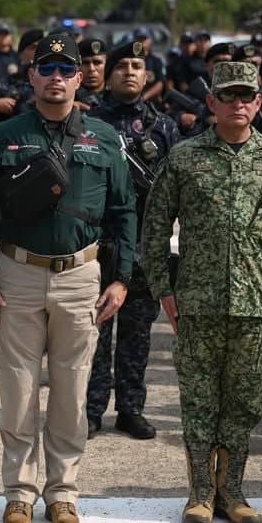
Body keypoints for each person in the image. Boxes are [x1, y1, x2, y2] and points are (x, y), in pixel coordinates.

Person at [0, 34, 137, 523]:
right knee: (17, 392)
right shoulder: (5, 135)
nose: (57, 77)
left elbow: (125, 211)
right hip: (17, 276)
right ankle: (19, 494)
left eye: (67, 69)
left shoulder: (103, 137)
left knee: (71, 391)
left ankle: (63, 494)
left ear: (80, 77)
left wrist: (122, 278)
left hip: (81, 276)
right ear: (32, 76)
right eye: (48, 68)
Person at [142, 61, 262, 523]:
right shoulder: (184, 158)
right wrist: (164, 289)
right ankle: (199, 492)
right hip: (196, 303)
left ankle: (232, 490)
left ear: (259, 103)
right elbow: (154, 228)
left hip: (257, 305)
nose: (238, 104)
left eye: (247, 96)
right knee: (198, 400)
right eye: (228, 96)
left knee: (243, 402)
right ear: (212, 103)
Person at [85, 40, 181, 440]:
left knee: (138, 333)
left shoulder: (164, 127)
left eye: (136, 65)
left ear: (147, 75)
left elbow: (176, 187)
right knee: (94, 331)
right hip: (97, 243)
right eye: (121, 64)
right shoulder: (87, 121)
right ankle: (90, 409)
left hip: (144, 245)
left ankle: (131, 408)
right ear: (108, 74)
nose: (129, 71)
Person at [76, 38, 107, 109]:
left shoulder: (117, 94)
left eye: (97, 63)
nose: (91, 69)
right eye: (85, 63)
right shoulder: (68, 98)